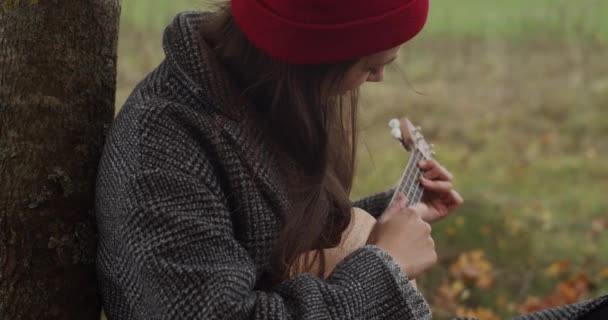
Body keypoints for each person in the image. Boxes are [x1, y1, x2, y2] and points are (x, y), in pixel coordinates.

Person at [94, 0, 607, 319]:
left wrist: (394, 214)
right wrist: (383, 264)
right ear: (309, 60)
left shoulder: (257, 97)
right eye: (370, 65)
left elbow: (259, 238)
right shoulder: (163, 153)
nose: (379, 79)